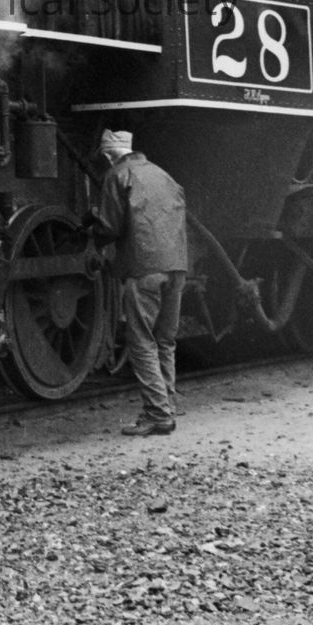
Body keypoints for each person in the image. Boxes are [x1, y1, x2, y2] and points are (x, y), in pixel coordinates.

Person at [88, 127, 189, 436]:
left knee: (141, 341)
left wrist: (91, 234)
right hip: (177, 267)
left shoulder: (117, 175)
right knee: (165, 340)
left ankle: (157, 414)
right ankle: (166, 408)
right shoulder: (163, 174)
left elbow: (109, 227)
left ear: (109, 156)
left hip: (144, 268)